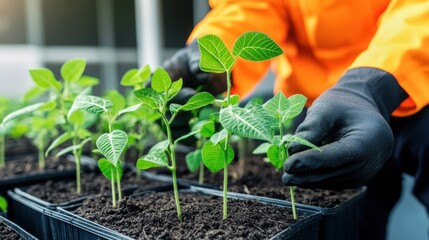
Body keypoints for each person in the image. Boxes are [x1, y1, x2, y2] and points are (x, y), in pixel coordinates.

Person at [161, 1, 429, 239]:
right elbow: (256, 6)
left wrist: (372, 83)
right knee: (348, 222)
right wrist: (215, 52)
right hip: (316, 108)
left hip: (416, 83)